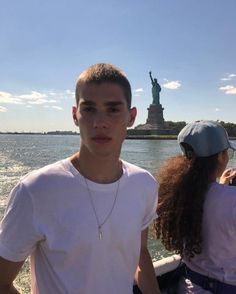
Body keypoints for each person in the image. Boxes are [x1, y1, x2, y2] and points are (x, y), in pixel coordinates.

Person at [0, 63, 160, 294]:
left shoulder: (144, 184)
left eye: (113, 109)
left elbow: (140, 252)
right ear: (75, 115)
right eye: (89, 109)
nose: (100, 122)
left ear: (131, 116)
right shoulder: (35, 191)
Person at [154, 120, 236, 293]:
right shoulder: (231, 200)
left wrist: (221, 187)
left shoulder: (177, 195)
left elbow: (209, 202)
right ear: (221, 157)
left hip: (188, 287)